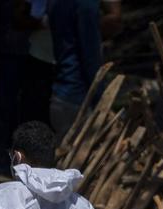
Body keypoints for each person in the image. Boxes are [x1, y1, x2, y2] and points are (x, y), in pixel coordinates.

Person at [47, 0, 123, 139]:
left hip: (61, 94)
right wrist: (101, 100)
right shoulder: (86, 4)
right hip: (79, 97)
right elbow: (90, 56)